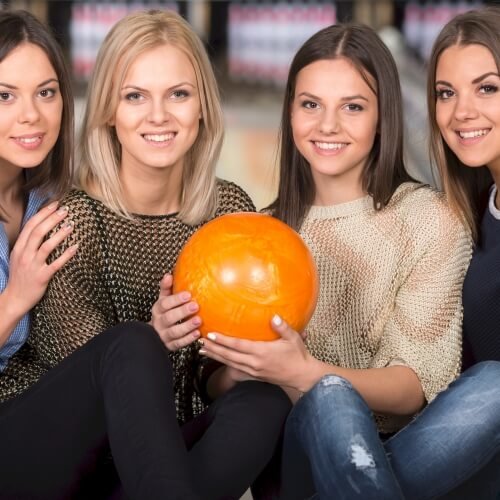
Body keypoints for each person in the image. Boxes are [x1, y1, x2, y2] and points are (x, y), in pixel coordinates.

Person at [199, 23, 499, 500]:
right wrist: (249, 367)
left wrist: (303, 371)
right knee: (330, 398)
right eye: (310, 104)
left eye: (353, 107)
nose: (328, 126)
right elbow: (215, 384)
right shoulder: (260, 233)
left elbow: (416, 388)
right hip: (296, 456)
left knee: (496, 385)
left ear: (383, 117)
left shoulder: (431, 220)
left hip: (407, 445)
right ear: (290, 112)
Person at [0, 9, 290, 500]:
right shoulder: (68, 220)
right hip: (53, 455)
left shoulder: (230, 214)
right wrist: (158, 340)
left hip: (144, 467)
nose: (159, 116)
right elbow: (107, 386)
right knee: (133, 344)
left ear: (203, 106)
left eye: (178, 94)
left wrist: (243, 363)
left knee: (264, 399)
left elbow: (206, 383)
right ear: (108, 110)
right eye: (135, 96)